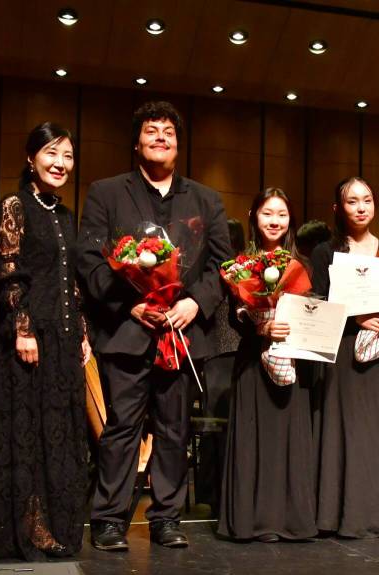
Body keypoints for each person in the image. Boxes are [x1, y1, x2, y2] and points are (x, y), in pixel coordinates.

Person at [76, 101, 231, 551]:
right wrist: (131, 307)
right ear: (136, 142)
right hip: (129, 331)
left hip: (182, 333)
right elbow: (89, 258)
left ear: (178, 145)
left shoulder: (207, 199)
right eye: (151, 131)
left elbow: (222, 262)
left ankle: (167, 517)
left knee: (174, 429)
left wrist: (193, 304)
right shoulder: (106, 192)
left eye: (168, 132)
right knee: (121, 427)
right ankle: (108, 518)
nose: (160, 137)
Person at [0, 122, 91, 560]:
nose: (60, 163)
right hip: (27, 338)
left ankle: (53, 526)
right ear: (31, 158)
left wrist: (82, 333)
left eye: (67, 155)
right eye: (51, 153)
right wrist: (22, 328)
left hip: (63, 339)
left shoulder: (65, 213)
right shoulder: (15, 204)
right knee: (25, 431)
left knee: (58, 433)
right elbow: (7, 269)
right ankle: (28, 529)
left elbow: (71, 281)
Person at [310, 177, 379, 538]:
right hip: (343, 350)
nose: (361, 207)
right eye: (352, 201)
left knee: (377, 432)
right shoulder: (325, 252)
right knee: (344, 429)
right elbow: (317, 303)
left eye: (367, 200)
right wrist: (354, 315)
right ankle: (339, 515)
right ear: (338, 208)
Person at [217, 188, 318, 542]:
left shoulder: (302, 265)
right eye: (267, 213)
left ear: (291, 220)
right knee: (254, 436)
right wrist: (258, 324)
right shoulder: (239, 264)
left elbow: (314, 314)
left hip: (293, 359)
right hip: (251, 359)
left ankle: (289, 521)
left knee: (288, 438)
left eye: (282, 214)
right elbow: (230, 315)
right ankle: (252, 521)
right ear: (253, 217)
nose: (274, 220)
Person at [194, 218, 245, 512]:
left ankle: (218, 494)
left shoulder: (231, 268)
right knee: (220, 425)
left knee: (218, 424)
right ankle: (220, 494)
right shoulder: (223, 269)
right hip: (223, 351)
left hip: (222, 351)